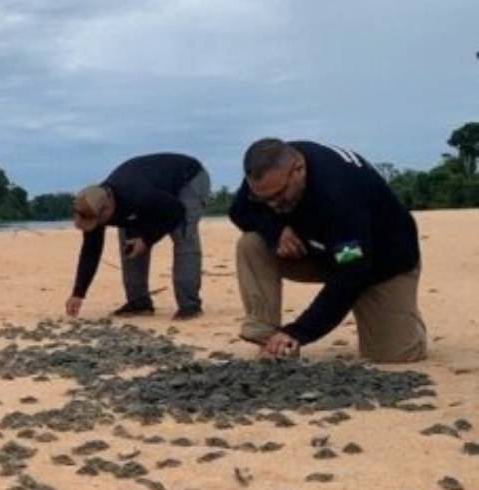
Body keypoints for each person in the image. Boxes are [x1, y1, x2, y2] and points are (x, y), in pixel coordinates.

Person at [230, 138, 427, 362]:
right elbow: (239, 211)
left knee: (394, 355)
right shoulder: (268, 172)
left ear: (298, 169)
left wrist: (298, 332)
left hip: (384, 262)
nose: (273, 205)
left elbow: (352, 273)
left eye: (279, 195)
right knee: (252, 244)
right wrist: (276, 231)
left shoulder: (338, 193)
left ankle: (404, 316)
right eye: (263, 199)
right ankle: (270, 341)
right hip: (328, 251)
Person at [66, 153, 211, 320]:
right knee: (130, 242)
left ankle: (190, 305)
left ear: (107, 210)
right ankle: (139, 303)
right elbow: (90, 251)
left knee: (183, 234)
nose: (94, 226)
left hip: (188, 179)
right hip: (154, 191)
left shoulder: (137, 194)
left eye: (96, 221)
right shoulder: (93, 205)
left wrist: (147, 239)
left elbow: (176, 211)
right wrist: (78, 292)